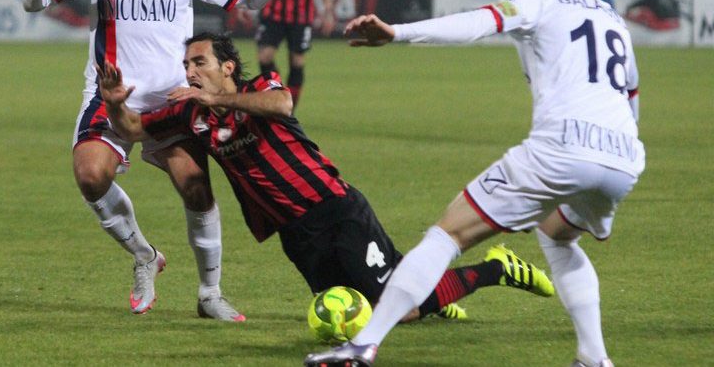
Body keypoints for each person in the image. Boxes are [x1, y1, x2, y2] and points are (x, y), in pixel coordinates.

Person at [305, 0, 643, 367]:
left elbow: (477, 22)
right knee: (557, 236)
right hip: (622, 158)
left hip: (562, 147)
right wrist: (606, 189)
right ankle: (595, 359)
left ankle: (362, 346)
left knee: (448, 234)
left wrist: (398, 32)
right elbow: (630, 101)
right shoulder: (617, 24)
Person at [96, 32, 556, 326]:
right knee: (366, 307)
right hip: (296, 235)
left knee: (402, 307)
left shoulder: (262, 89)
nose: (190, 71)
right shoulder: (189, 112)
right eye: (187, 66)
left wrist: (219, 98)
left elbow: (283, 107)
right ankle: (430, 295)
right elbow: (133, 128)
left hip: (336, 211)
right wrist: (116, 102)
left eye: (199, 62)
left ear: (228, 67)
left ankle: (497, 268)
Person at [21, 0, 319, 320]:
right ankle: (144, 255)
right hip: (110, 94)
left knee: (195, 188)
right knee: (89, 176)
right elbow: (34, 4)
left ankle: (210, 295)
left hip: (172, 99)